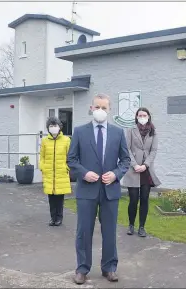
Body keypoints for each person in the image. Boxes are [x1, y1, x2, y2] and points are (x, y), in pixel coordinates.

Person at [67, 93, 130, 285]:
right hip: (87, 190)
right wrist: (84, 173)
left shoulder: (118, 133)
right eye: (97, 107)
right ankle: (82, 269)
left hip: (109, 191)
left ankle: (109, 267)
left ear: (109, 110)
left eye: (104, 107)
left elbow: (125, 160)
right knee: (84, 231)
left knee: (109, 231)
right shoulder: (79, 131)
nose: (100, 111)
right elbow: (72, 159)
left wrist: (116, 174)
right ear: (91, 108)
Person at [121, 107, 161, 238]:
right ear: (136, 117)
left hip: (146, 170)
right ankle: (131, 225)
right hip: (134, 169)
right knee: (133, 199)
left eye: (144, 115)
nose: (142, 117)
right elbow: (126, 148)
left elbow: (154, 151)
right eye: (140, 115)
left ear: (149, 116)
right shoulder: (130, 130)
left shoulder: (153, 131)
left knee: (144, 199)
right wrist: (135, 165)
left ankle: (142, 227)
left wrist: (145, 165)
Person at [39, 116, 72, 226]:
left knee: (59, 197)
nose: (53, 128)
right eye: (51, 126)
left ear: (60, 127)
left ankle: (59, 217)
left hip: (61, 172)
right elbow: (42, 156)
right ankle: (52, 217)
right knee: (51, 197)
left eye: (55, 126)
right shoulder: (44, 141)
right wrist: (42, 167)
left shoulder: (66, 140)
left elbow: (70, 157)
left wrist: (66, 167)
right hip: (49, 173)